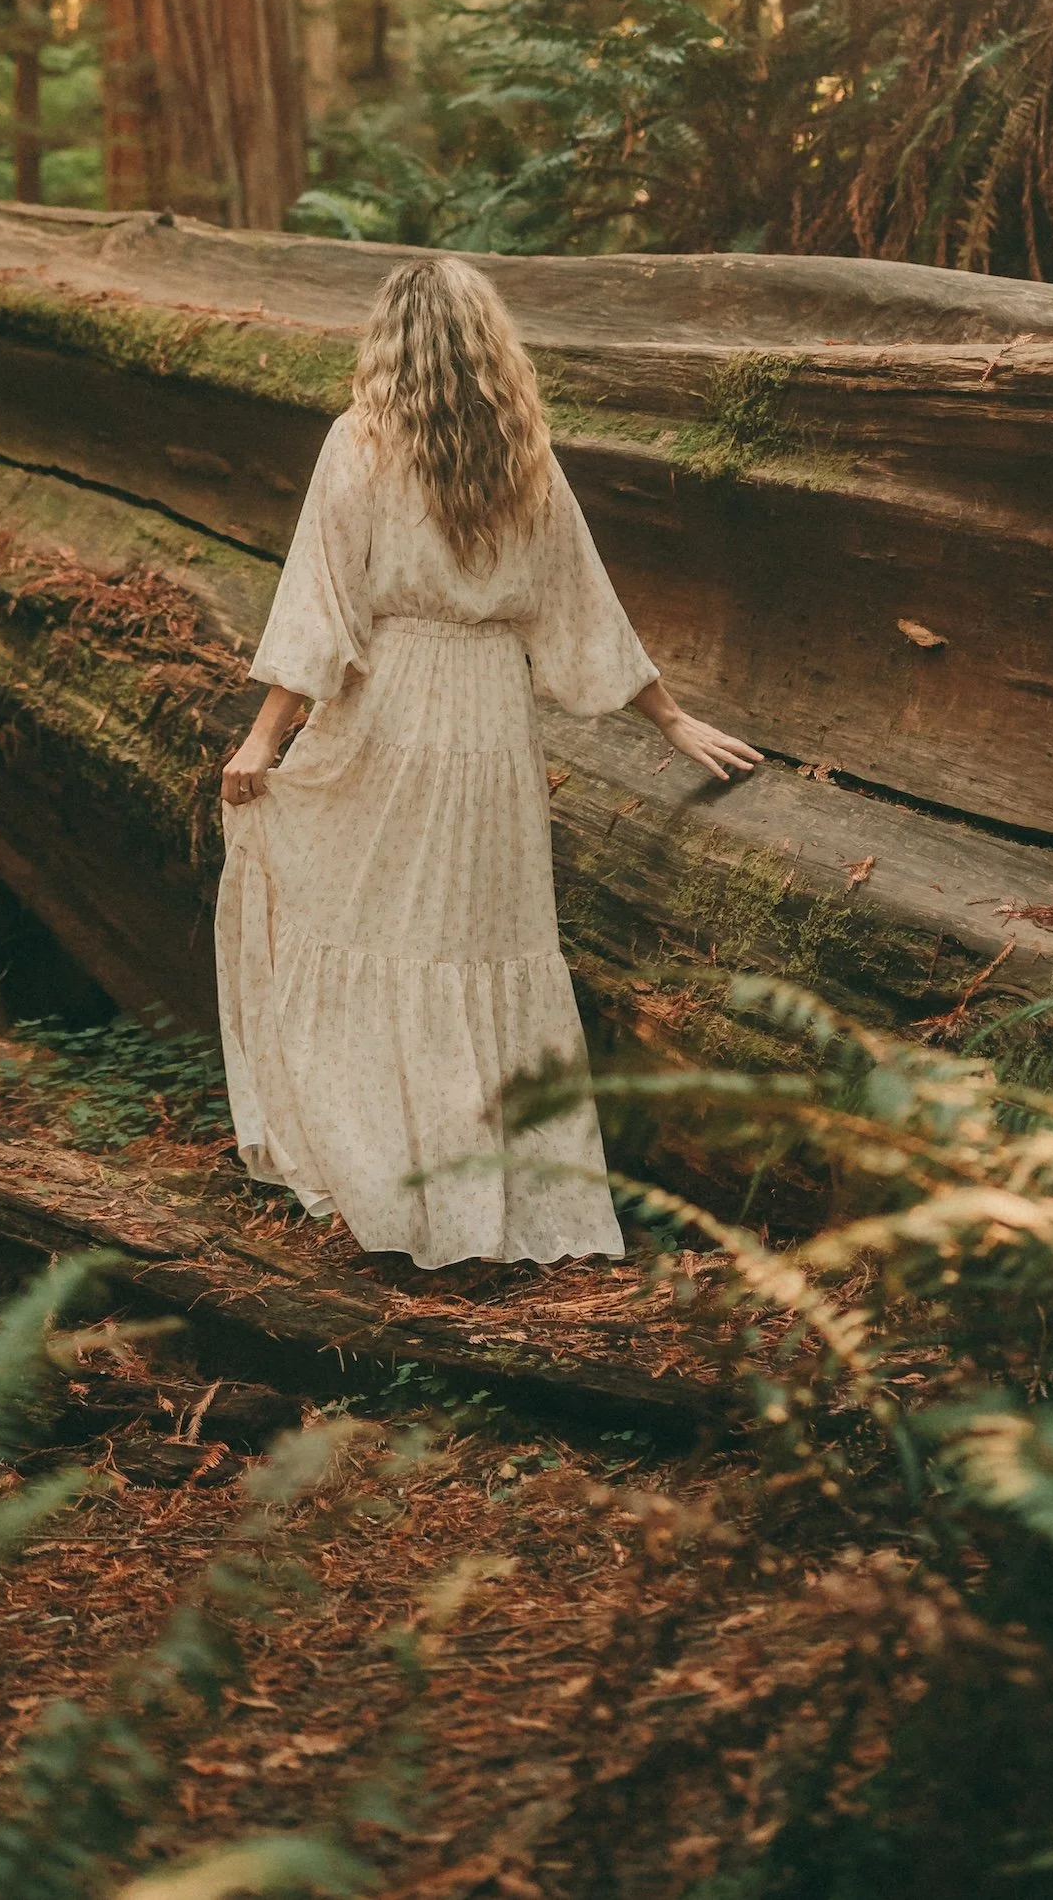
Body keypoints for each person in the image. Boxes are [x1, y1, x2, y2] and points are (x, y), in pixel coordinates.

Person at [214, 255, 760, 1270]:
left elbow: (320, 608)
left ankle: (398, 1185)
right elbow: (581, 608)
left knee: (370, 927)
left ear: (390, 346)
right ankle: (487, 1200)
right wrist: (670, 716)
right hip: (490, 725)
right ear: (488, 344)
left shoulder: (360, 444)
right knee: (475, 943)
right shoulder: (524, 458)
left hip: (391, 707)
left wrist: (266, 736)